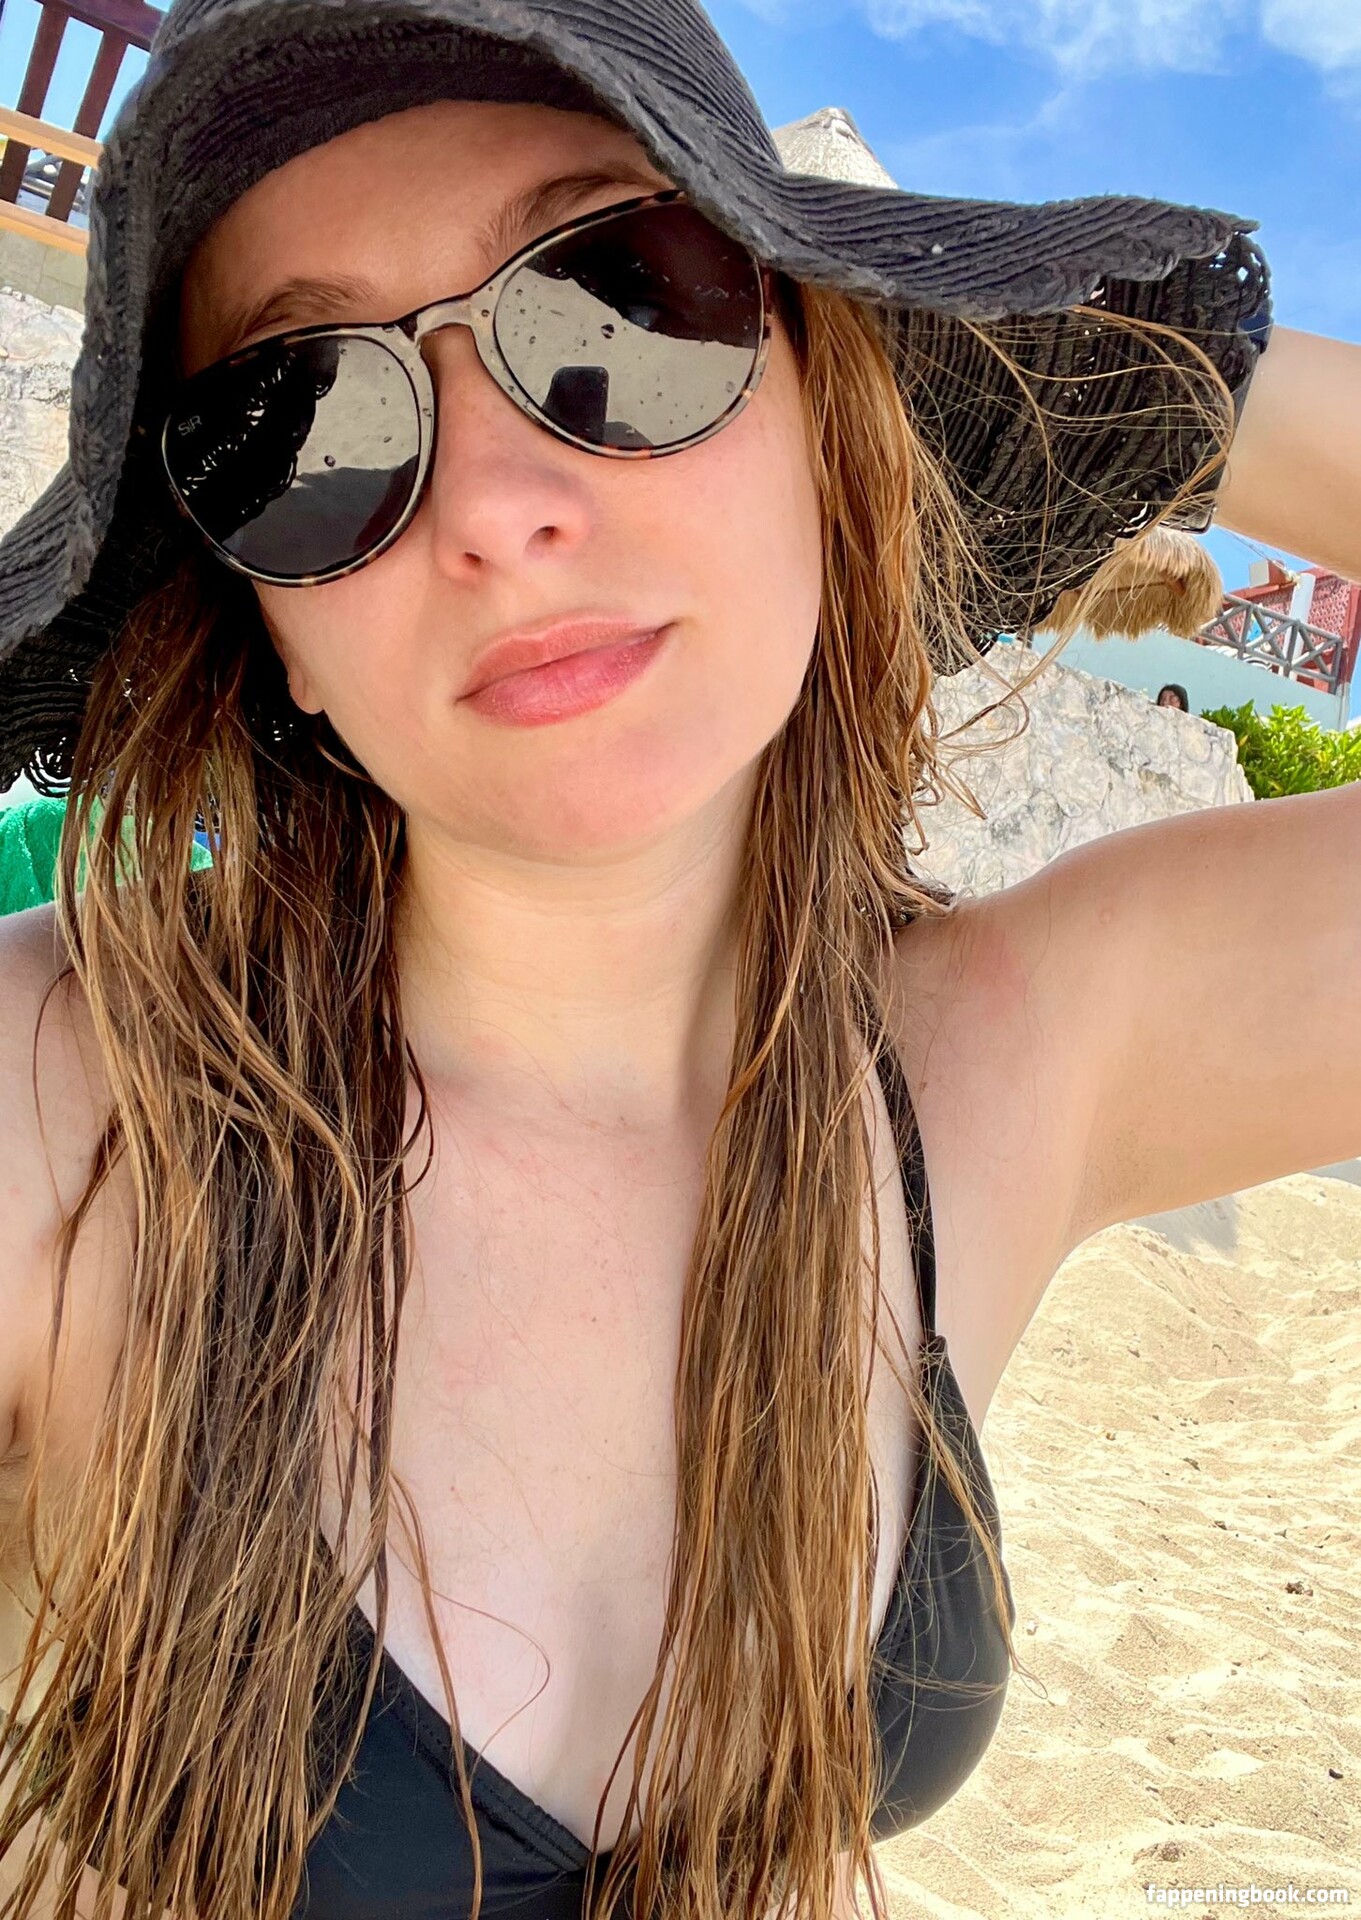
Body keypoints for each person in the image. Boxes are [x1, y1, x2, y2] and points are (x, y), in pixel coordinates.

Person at [0, 3, 1356, 1918]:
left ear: (829, 415)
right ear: (273, 624)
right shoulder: (68, 1105)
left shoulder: (1015, 1054)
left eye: (623, 305)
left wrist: (1131, 362)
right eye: (301, 424)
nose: (495, 511)